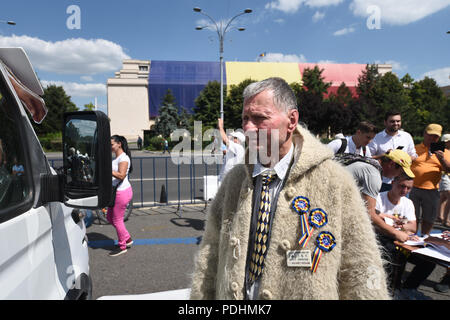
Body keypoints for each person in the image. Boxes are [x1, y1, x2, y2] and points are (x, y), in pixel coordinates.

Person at [190, 77, 389, 300]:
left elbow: (362, 266)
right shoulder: (234, 181)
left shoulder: (335, 182)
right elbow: (210, 254)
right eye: (245, 118)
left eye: (259, 118)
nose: (247, 127)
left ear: (291, 120)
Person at [375, 174, 436, 296]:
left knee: (429, 261)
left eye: (408, 188)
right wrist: (402, 227)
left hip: (405, 240)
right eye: (401, 186)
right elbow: (377, 225)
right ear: (393, 183)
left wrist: (393, 223)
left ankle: (408, 287)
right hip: (383, 239)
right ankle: (391, 288)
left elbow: (413, 227)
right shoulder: (379, 199)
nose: (404, 191)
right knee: (396, 255)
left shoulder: (408, 203)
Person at [345, 149, 416, 243]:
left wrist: (381, 215)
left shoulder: (371, 164)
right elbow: (369, 214)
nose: (398, 175)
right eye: (400, 171)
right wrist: (395, 233)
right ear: (391, 164)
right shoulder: (373, 175)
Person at [410, 124, 450, 235]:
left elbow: (448, 169)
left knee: (429, 218)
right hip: (413, 188)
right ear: (424, 134)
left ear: (439, 137)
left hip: (432, 190)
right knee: (412, 217)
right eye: (430, 135)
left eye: (435, 136)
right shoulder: (414, 148)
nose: (432, 138)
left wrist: (441, 159)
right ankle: (411, 239)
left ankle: (425, 239)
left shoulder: (444, 152)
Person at [368, 110, 417, 191]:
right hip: (382, 181)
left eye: (398, 121)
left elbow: (414, 156)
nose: (396, 123)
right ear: (385, 122)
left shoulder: (407, 136)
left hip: (402, 181)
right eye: (392, 121)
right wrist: (385, 155)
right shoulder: (377, 137)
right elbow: (368, 158)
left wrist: (401, 158)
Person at [108, 135, 134, 257]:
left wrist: (107, 169)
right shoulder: (117, 158)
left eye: (112, 144)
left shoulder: (123, 158)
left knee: (117, 220)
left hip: (121, 192)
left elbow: (121, 175)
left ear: (119, 144)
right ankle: (127, 238)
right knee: (109, 217)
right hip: (115, 192)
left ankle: (122, 246)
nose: (110, 146)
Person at [217, 118, 245, 183]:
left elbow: (225, 140)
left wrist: (220, 127)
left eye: (233, 137)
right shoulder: (236, 148)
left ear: (236, 139)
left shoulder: (238, 147)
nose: (230, 137)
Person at [438, 133, 450, 228]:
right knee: (448, 195)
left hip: (448, 176)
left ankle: (440, 215)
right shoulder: (441, 151)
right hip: (444, 175)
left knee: (443, 198)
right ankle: (446, 219)